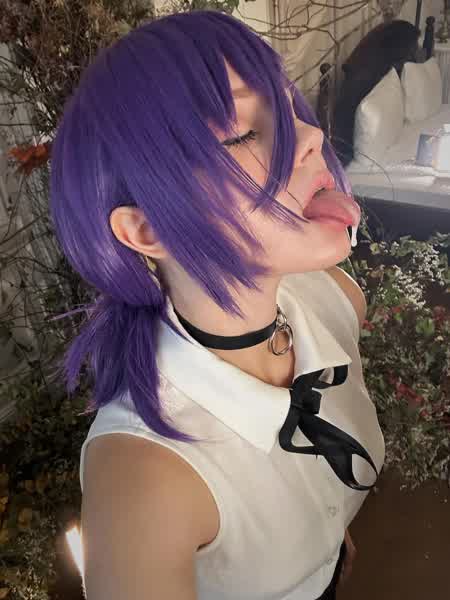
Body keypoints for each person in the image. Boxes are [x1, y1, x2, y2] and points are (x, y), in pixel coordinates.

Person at [49, 10, 385, 600]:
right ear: (148, 230)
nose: (309, 137)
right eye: (242, 132)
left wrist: (326, 545)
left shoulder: (334, 300)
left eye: (286, 106)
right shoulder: (145, 481)